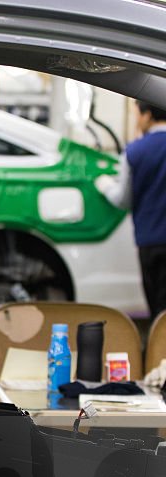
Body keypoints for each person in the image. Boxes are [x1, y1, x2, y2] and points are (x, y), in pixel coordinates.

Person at [96, 100, 166, 319]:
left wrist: (104, 184)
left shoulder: (134, 151)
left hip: (150, 241)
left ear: (147, 115)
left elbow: (122, 199)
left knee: (158, 308)